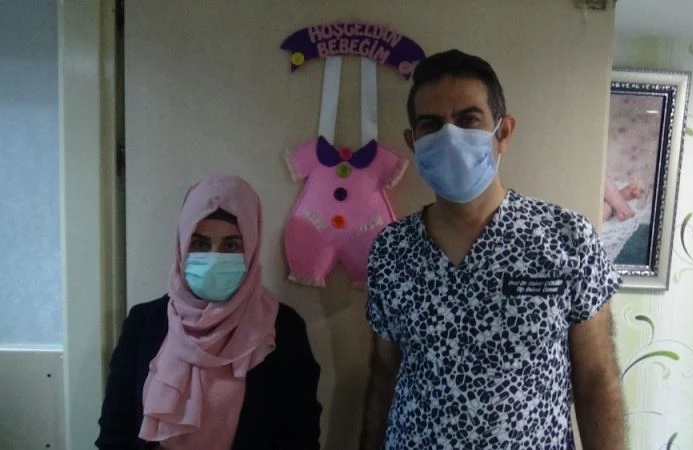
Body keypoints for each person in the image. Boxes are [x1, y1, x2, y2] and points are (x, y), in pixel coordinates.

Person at [360, 50, 625, 450]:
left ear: (504, 132)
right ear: (413, 142)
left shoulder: (567, 239)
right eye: (431, 125)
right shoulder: (391, 251)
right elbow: (383, 377)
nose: (449, 137)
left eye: (468, 120)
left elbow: (597, 380)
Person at [97, 174, 321, 450]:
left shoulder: (283, 329)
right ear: (182, 245)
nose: (214, 259)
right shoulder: (144, 324)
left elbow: (300, 437)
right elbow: (115, 432)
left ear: (252, 248)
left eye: (231, 245)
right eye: (201, 244)